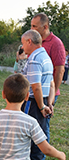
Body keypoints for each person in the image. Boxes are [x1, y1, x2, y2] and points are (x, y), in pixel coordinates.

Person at [20, 30, 55, 160]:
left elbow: (36, 87)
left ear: (29, 42)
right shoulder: (45, 56)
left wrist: (41, 106)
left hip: (33, 103)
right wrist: (49, 103)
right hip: (43, 101)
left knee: (29, 137)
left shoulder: (34, 58)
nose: (22, 46)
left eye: (23, 42)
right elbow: (52, 83)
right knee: (40, 135)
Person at [31, 13, 66, 146]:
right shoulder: (34, 41)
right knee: (33, 123)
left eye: (35, 26)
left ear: (45, 27)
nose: (32, 29)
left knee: (42, 125)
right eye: (31, 25)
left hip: (47, 92)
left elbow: (59, 70)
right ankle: (32, 153)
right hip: (35, 91)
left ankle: (41, 156)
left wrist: (52, 95)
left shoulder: (56, 43)